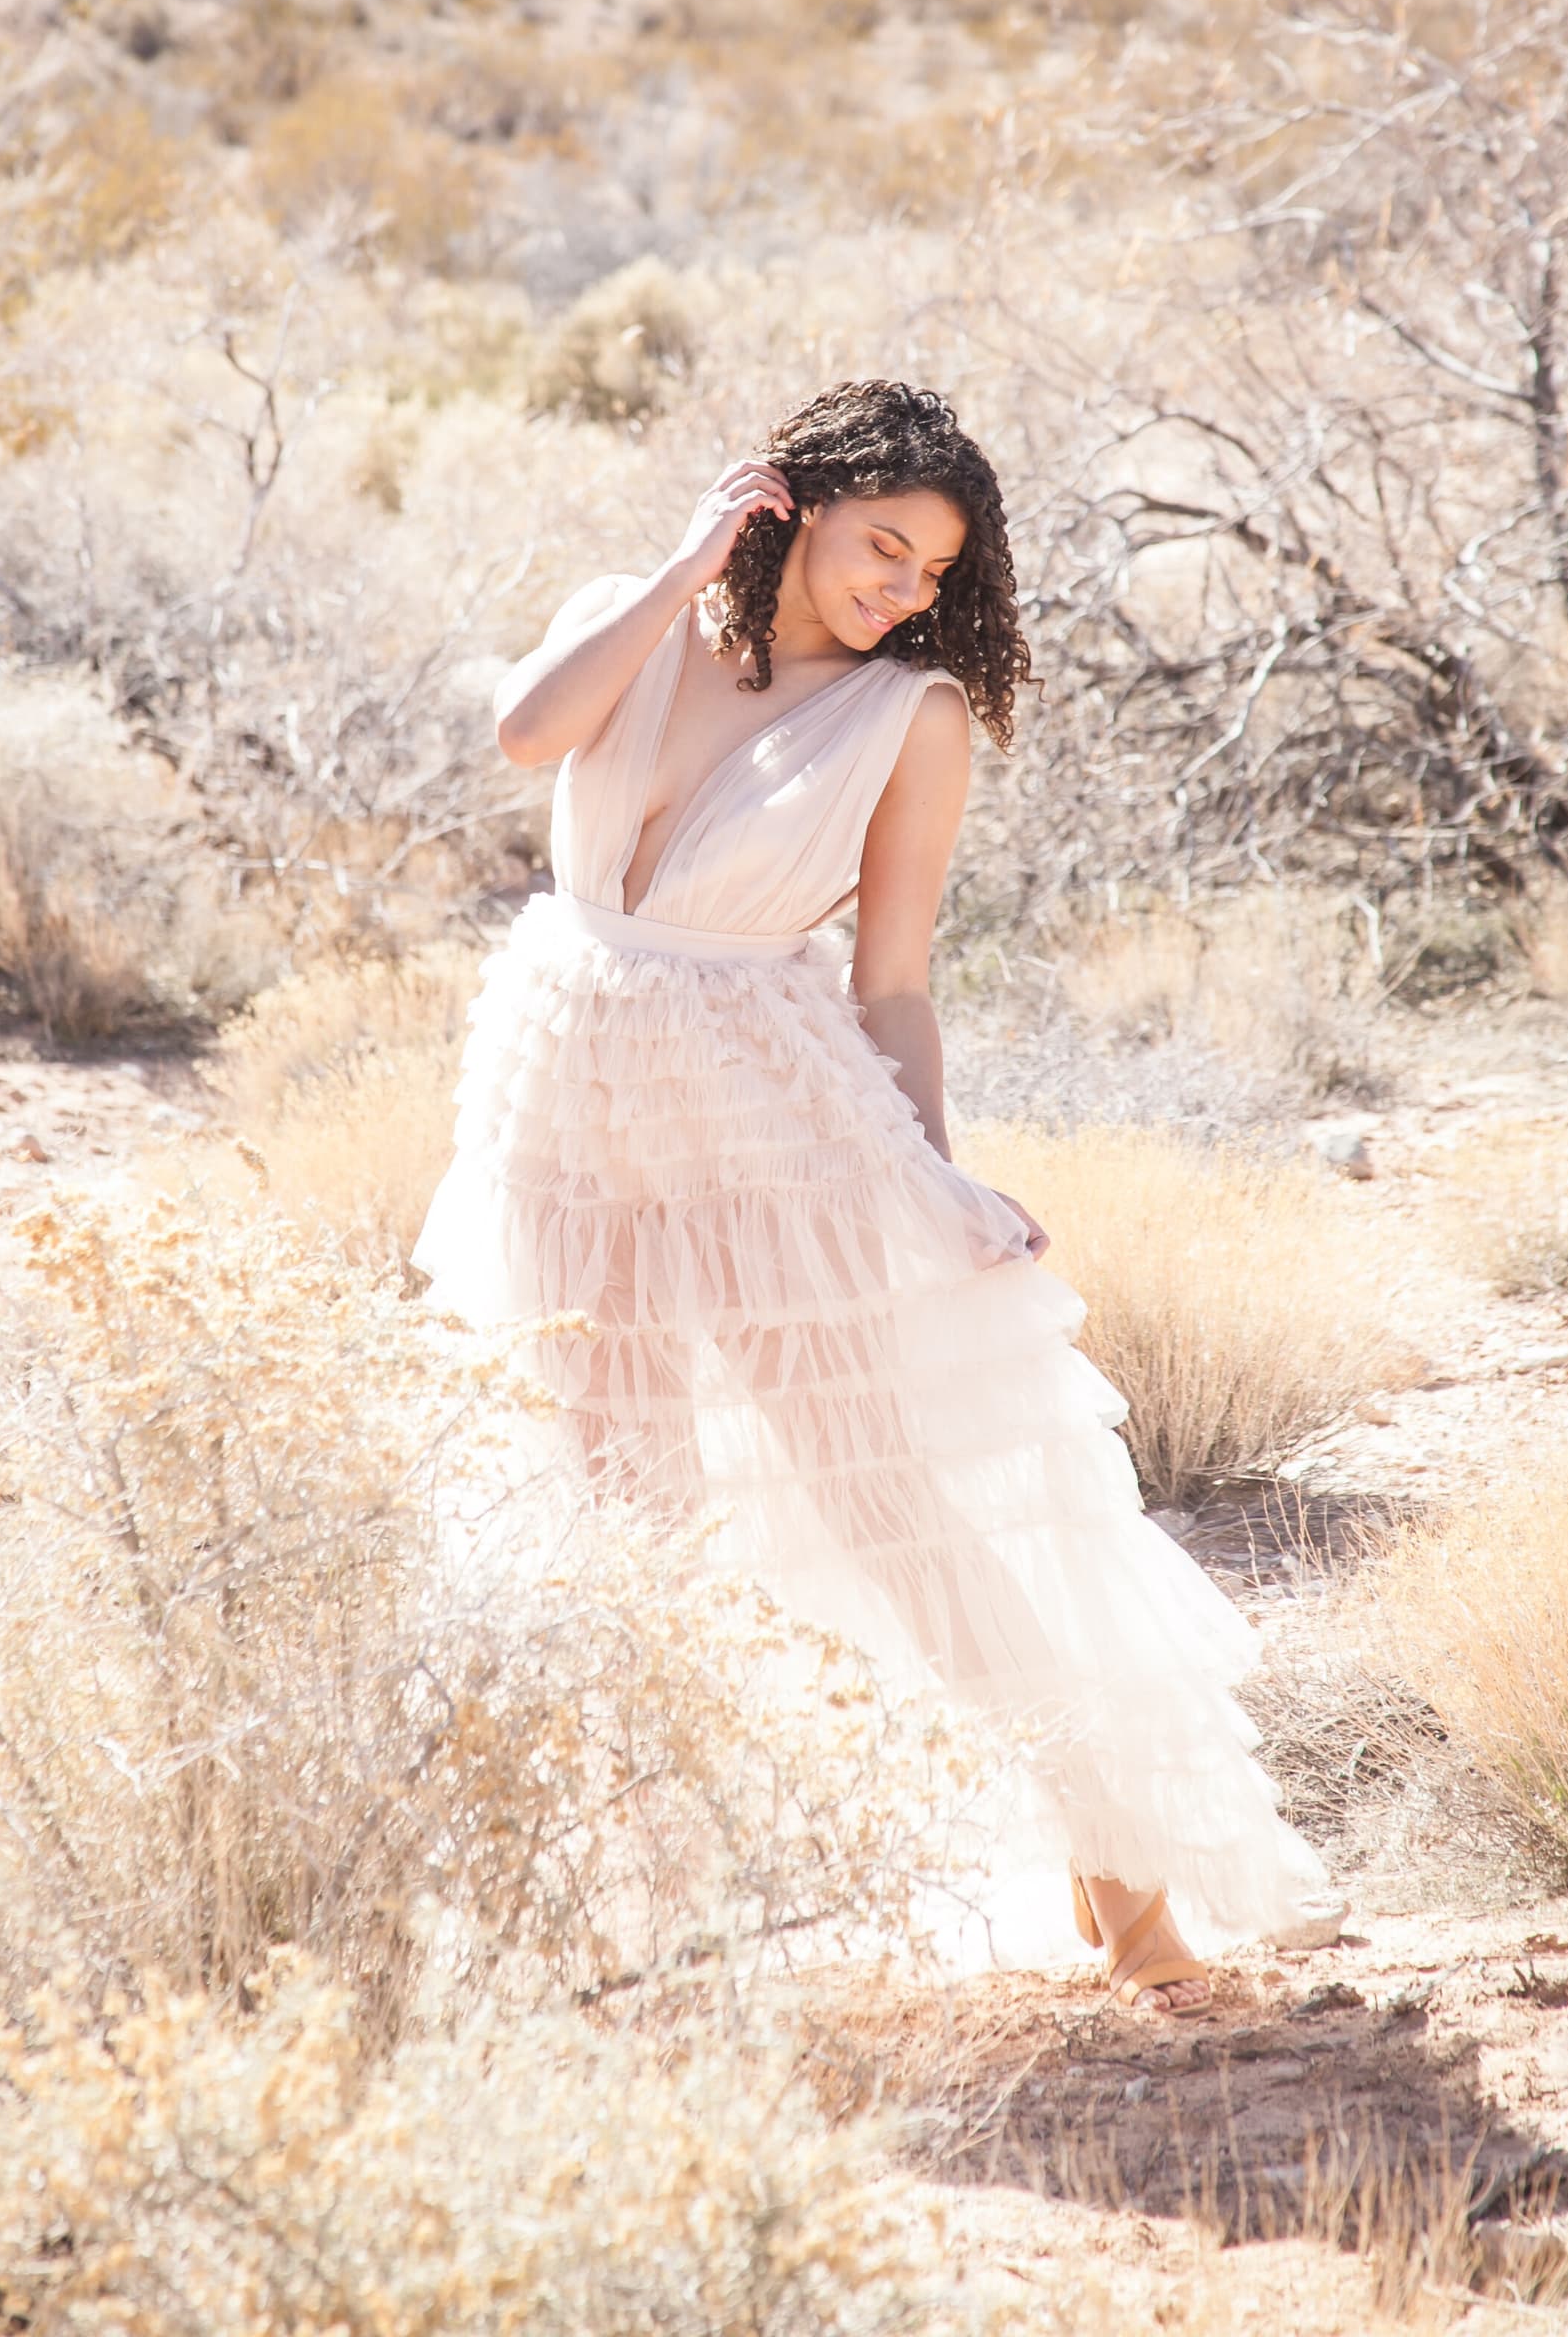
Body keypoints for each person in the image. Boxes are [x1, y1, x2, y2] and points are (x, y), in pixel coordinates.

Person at [415, 379, 1330, 2012]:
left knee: (887, 1505)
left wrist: (933, 1175)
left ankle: (1125, 1879)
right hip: (567, 1125)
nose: (903, 590)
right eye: (883, 546)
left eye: (933, 572)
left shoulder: (910, 717)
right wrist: (684, 563)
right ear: (795, 506)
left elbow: (893, 980)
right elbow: (527, 736)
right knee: (626, 1522)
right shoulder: (630, 624)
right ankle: (645, 1926)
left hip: (769, 1133)